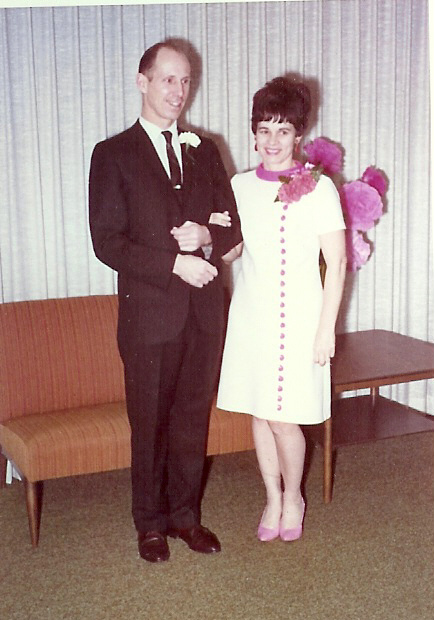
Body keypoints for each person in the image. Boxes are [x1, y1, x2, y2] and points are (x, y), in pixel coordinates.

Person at [89, 39, 242, 563]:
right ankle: (150, 524)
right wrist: (175, 263)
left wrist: (207, 235)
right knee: (150, 422)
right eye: (168, 79)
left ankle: (185, 517)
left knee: (192, 418)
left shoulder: (206, 149)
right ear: (143, 81)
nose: (178, 91)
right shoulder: (113, 154)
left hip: (204, 314)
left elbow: (233, 227)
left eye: (185, 81)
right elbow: (107, 242)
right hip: (150, 317)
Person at [217, 77, 346, 542]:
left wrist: (326, 330)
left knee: (284, 417)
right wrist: (208, 239)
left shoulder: (318, 188)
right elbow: (233, 251)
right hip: (252, 315)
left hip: (299, 319)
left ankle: (294, 496)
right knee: (259, 412)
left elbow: (337, 262)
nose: (272, 141)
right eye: (264, 130)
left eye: (283, 130)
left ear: (298, 136)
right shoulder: (238, 186)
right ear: (254, 133)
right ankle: (272, 496)